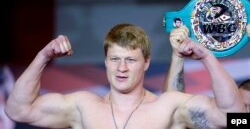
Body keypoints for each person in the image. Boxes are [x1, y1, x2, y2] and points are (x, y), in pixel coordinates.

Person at [5, 23, 246, 129]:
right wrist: (43, 56)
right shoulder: (82, 106)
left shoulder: (168, 107)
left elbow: (236, 120)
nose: (121, 68)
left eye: (130, 60)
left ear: (146, 63)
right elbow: (17, 110)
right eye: (114, 59)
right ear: (106, 62)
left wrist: (207, 58)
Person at [164, 24, 250, 112]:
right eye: (242, 105)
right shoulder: (222, 120)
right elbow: (172, 110)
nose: (246, 111)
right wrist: (177, 55)